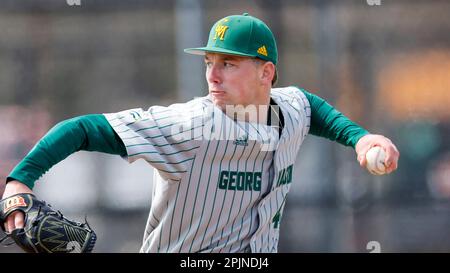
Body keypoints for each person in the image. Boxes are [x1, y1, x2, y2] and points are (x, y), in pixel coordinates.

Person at [1, 13, 399, 253]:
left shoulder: (290, 109)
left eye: (228, 63)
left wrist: (360, 138)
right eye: (209, 61)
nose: (212, 74)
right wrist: (20, 179)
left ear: (267, 72)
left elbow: (312, 108)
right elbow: (82, 129)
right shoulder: (188, 127)